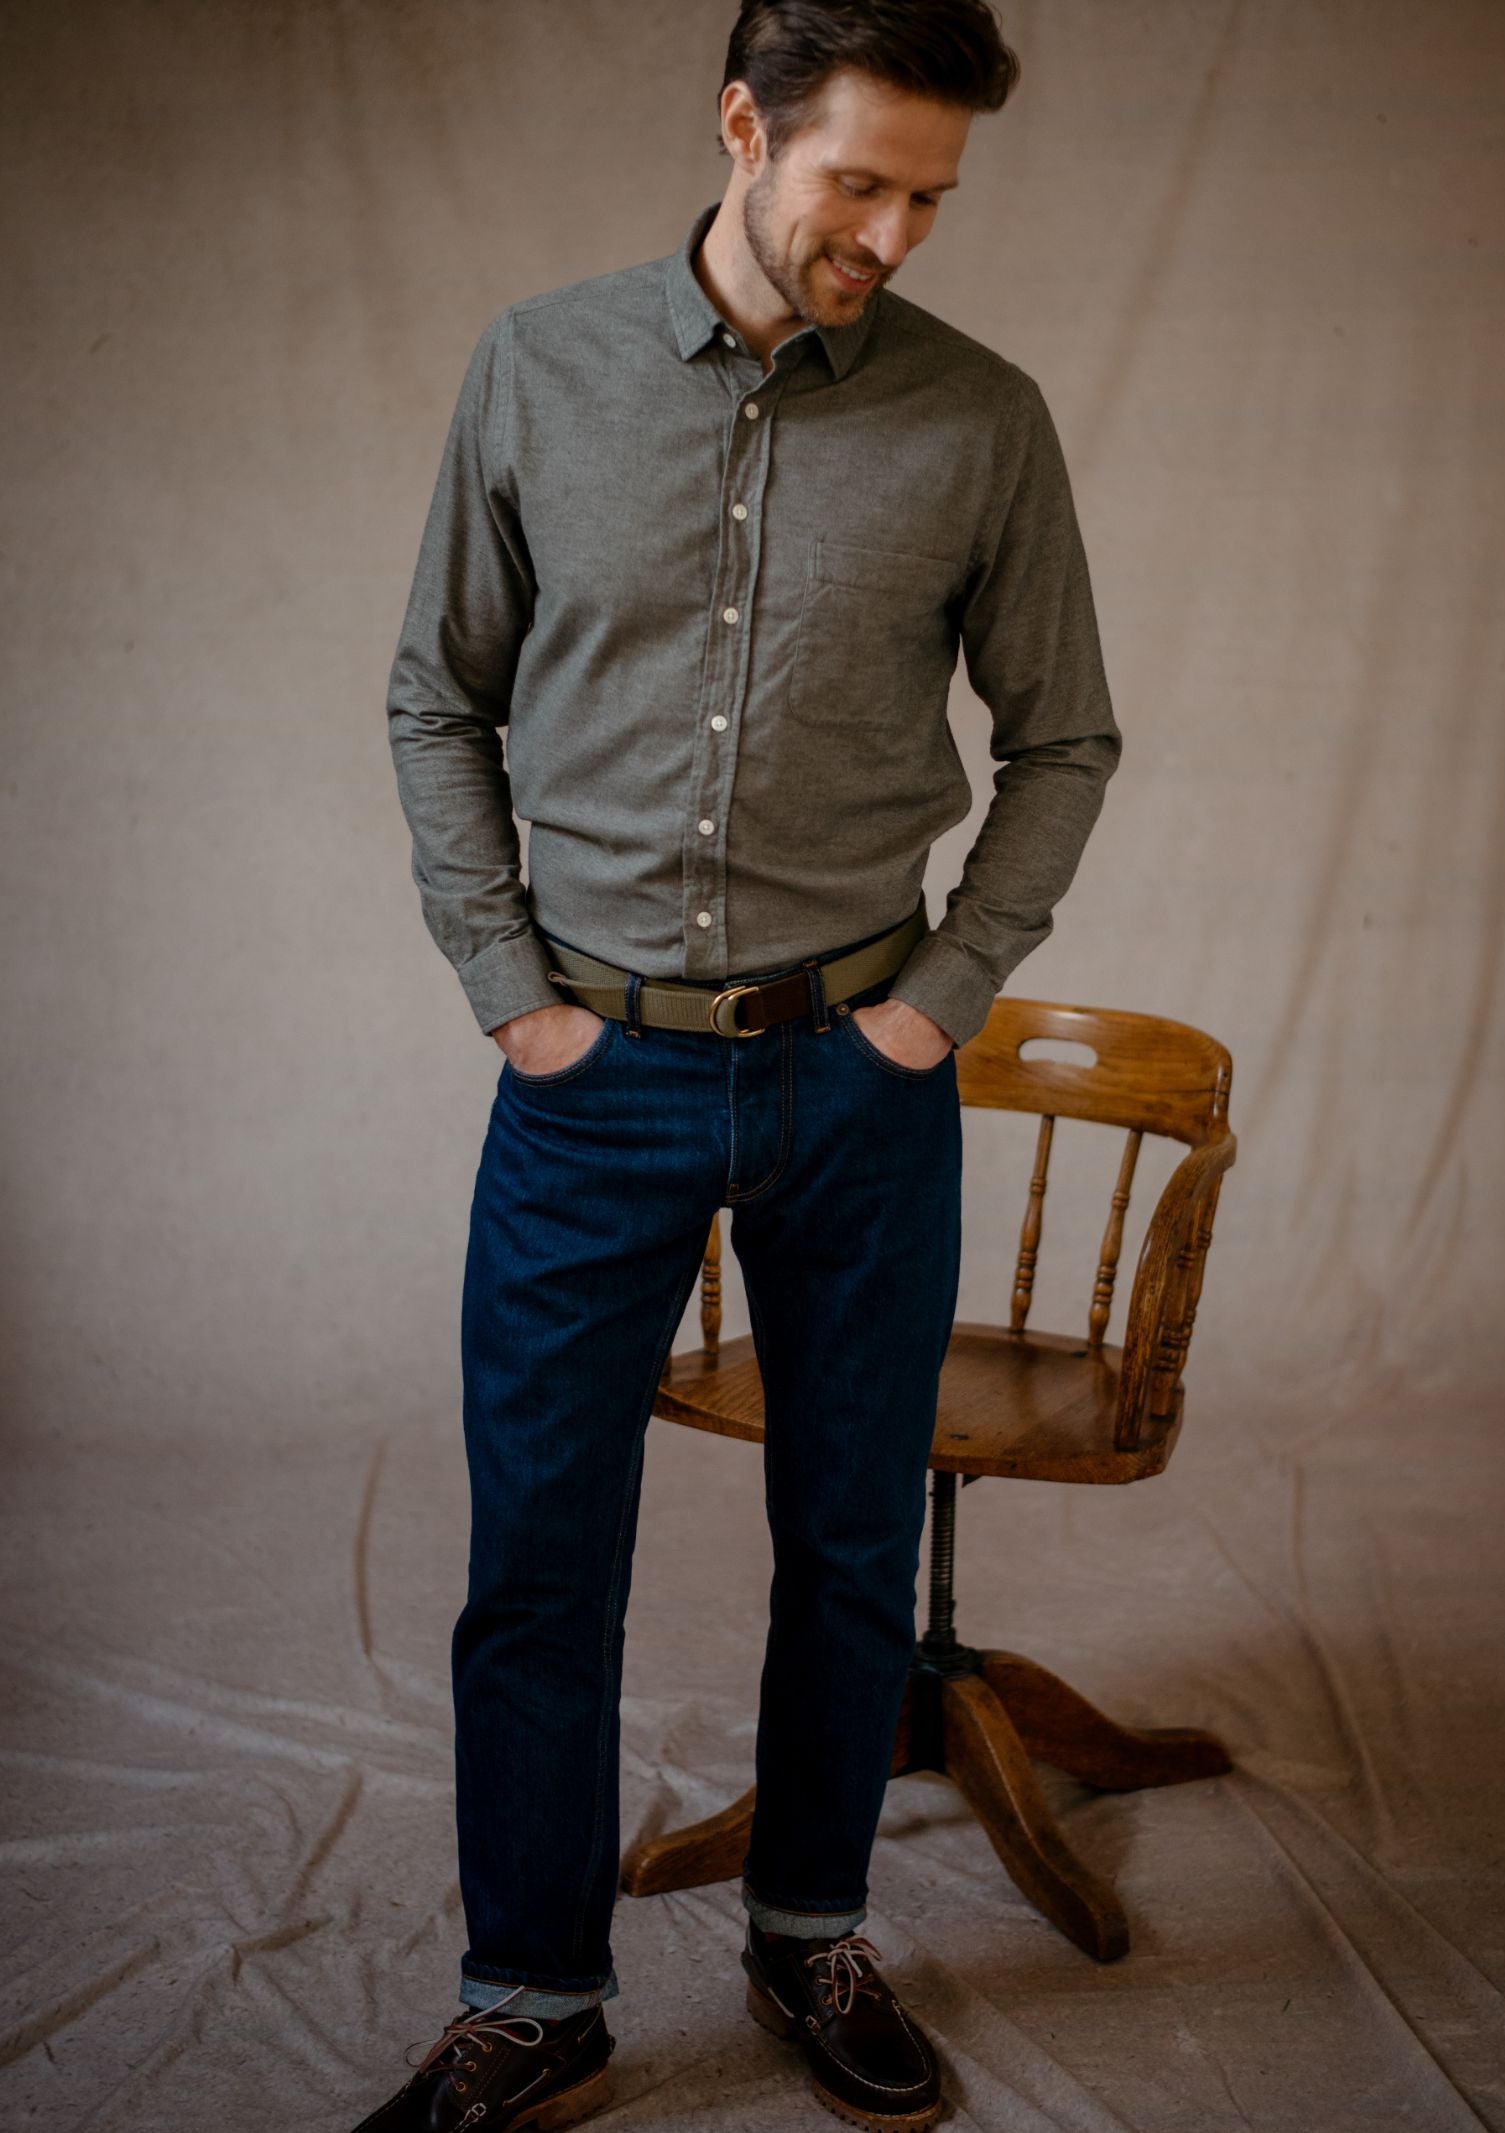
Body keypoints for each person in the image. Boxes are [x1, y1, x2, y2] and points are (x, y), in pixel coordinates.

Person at [356, 1, 1120, 2126]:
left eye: (928, 196)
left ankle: (811, 1934)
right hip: (586, 1074)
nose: (891, 228)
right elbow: (437, 693)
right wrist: (511, 985)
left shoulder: (985, 418)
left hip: (854, 1077)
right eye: (854, 179)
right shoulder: (537, 366)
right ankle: (534, 1990)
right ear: (737, 127)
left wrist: (940, 997)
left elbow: (1063, 737)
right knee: (539, 1550)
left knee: (852, 1537)